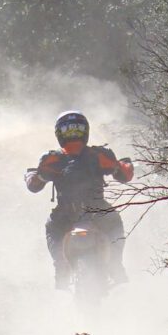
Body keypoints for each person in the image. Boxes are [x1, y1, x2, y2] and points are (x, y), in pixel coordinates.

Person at [25, 110, 134, 290]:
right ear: (86, 131)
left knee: (52, 229)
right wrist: (123, 165)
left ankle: (60, 267)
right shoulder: (100, 155)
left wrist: (36, 176)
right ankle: (115, 265)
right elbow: (125, 175)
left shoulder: (51, 159)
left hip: (66, 215)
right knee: (115, 224)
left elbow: (33, 185)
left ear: (59, 134)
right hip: (100, 212)